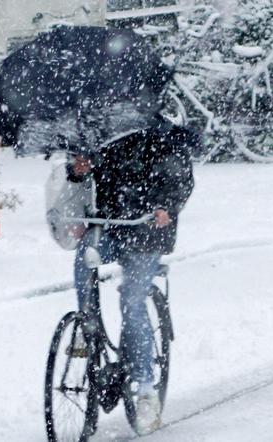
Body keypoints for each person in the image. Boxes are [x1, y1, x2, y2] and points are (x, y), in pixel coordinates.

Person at [68, 121, 195, 435]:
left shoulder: (165, 137)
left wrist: (165, 206)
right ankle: (86, 325)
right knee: (83, 260)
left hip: (148, 231)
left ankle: (145, 388)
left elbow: (180, 180)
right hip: (109, 226)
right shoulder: (104, 132)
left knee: (132, 301)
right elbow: (87, 175)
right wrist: (79, 170)